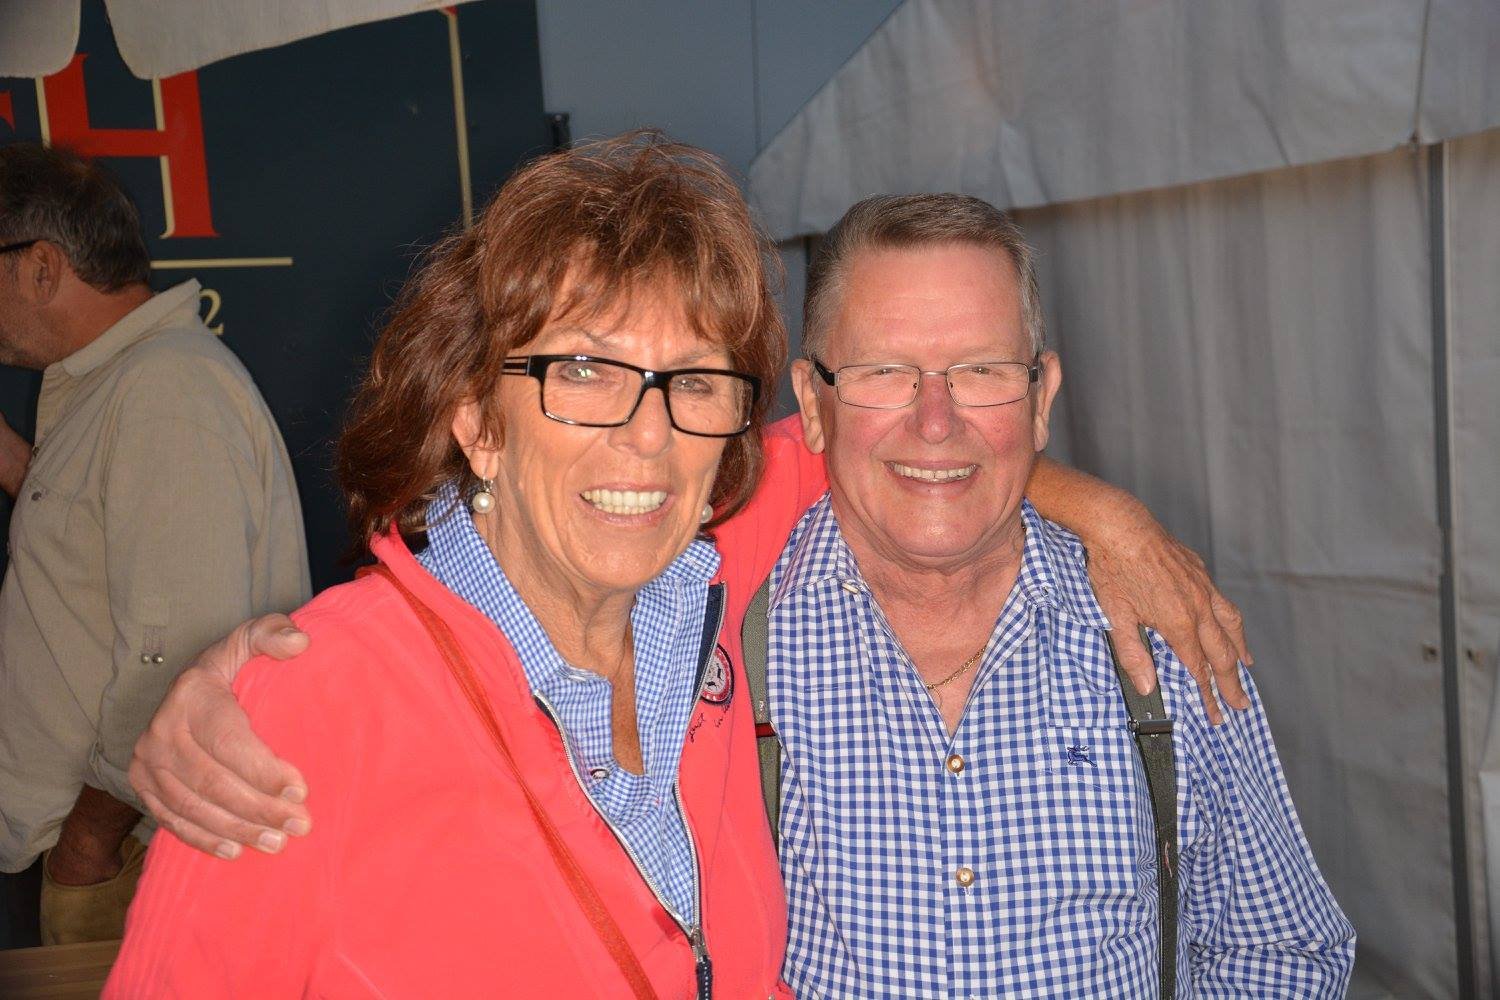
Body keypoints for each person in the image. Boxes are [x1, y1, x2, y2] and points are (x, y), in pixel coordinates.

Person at [120, 140, 1254, 995]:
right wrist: (247, 687)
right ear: (476, 417)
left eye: (696, 381)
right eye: (584, 371)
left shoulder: (704, 589)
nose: (648, 436)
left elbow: (921, 453)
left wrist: (1112, 521)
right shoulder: (311, 710)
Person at [766, 194, 1354, 996]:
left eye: (982, 371)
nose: (935, 421)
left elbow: (1277, 951)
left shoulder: (1161, 633)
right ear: (812, 404)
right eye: (885, 372)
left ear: (1040, 399)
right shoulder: (720, 642)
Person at [0, 143, 310, 946]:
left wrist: (87, 847)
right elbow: (106, 540)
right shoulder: (132, 383)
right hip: (109, 844)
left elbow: (178, 655)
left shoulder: (167, 391)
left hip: (125, 857)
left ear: (41, 267)